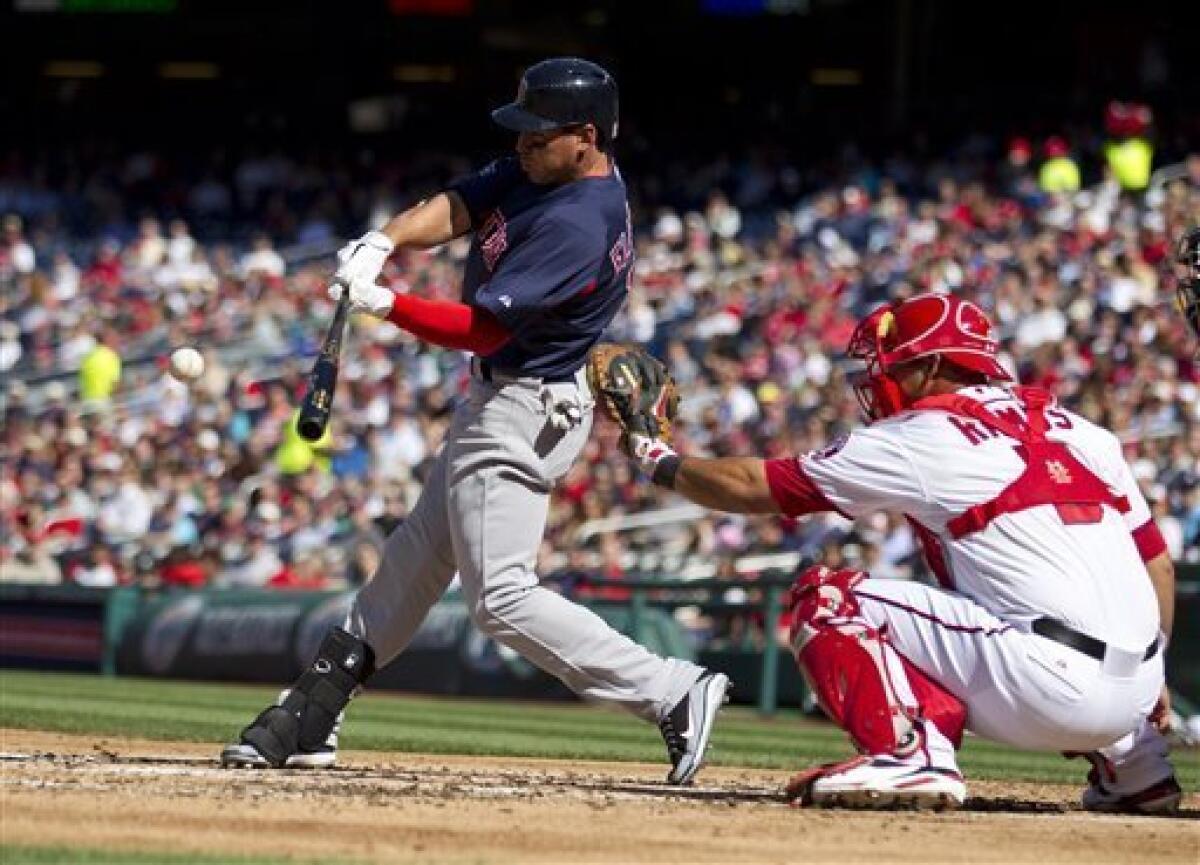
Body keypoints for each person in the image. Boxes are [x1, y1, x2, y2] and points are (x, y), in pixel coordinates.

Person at [220, 57, 729, 784]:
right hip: (502, 400)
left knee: (501, 599)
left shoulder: (581, 220)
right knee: (413, 561)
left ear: (585, 136)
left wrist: (387, 304)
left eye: (537, 134)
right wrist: (385, 240)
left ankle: (673, 689)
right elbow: (461, 202)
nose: (521, 145)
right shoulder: (547, 169)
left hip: (525, 405)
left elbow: (485, 331)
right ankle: (313, 707)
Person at [620, 292, 1179, 811]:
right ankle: (1137, 769)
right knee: (1062, 608)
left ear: (933, 367)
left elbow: (755, 487)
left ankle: (911, 753)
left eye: (894, 362)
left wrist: (655, 457)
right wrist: (1152, 677)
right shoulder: (1085, 432)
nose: (880, 375)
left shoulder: (925, 432)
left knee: (828, 597)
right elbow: (1156, 563)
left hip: (1044, 686)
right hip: (1137, 695)